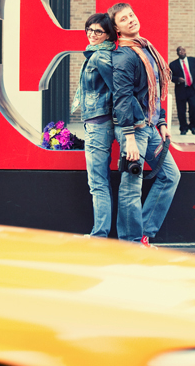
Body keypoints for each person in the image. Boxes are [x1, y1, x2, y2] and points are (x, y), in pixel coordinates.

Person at [108, 2, 181, 247]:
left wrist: (161, 120)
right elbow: (122, 97)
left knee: (170, 176)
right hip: (134, 131)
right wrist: (128, 137)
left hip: (150, 127)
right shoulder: (124, 55)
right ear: (117, 29)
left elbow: (154, 90)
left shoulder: (146, 48)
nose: (130, 20)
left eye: (131, 15)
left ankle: (143, 234)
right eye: (123, 19)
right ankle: (130, 243)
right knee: (131, 187)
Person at [72, 13, 117, 238]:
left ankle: (99, 236)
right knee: (100, 182)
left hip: (100, 123)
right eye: (89, 30)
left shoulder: (101, 57)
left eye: (97, 31)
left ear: (108, 34)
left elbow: (119, 89)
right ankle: (101, 233)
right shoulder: (96, 54)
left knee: (97, 183)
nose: (91, 34)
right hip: (97, 122)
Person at [169, 46, 195, 135]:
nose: (182, 52)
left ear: (186, 52)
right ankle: (183, 128)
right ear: (177, 53)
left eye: (183, 50)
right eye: (180, 51)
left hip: (192, 88)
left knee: (193, 108)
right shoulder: (173, 64)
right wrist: (177, 79)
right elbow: (169, 76)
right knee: (181, 110)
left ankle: (193, 126)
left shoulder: (193, 60)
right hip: (180, 89)